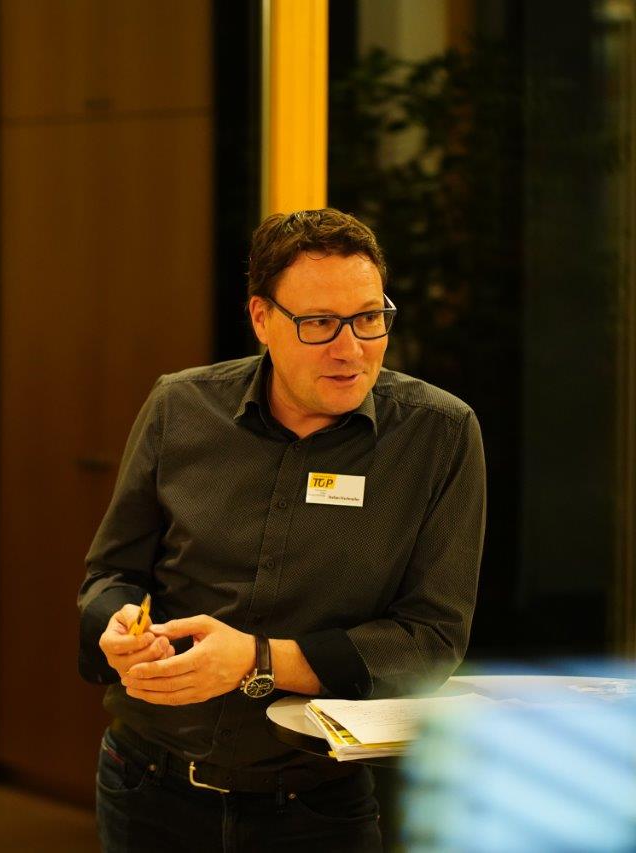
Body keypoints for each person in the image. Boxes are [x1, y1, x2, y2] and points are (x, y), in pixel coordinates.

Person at [78, 208, 485, 851]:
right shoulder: (181, 406)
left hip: (316, 805)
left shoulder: (438, 435)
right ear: (262, 319)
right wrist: (117, 627)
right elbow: (112, 574)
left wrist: (258, 659)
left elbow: (431, 639)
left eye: (369, 318)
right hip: (147, 785)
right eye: (319, 323)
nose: (350, 349)